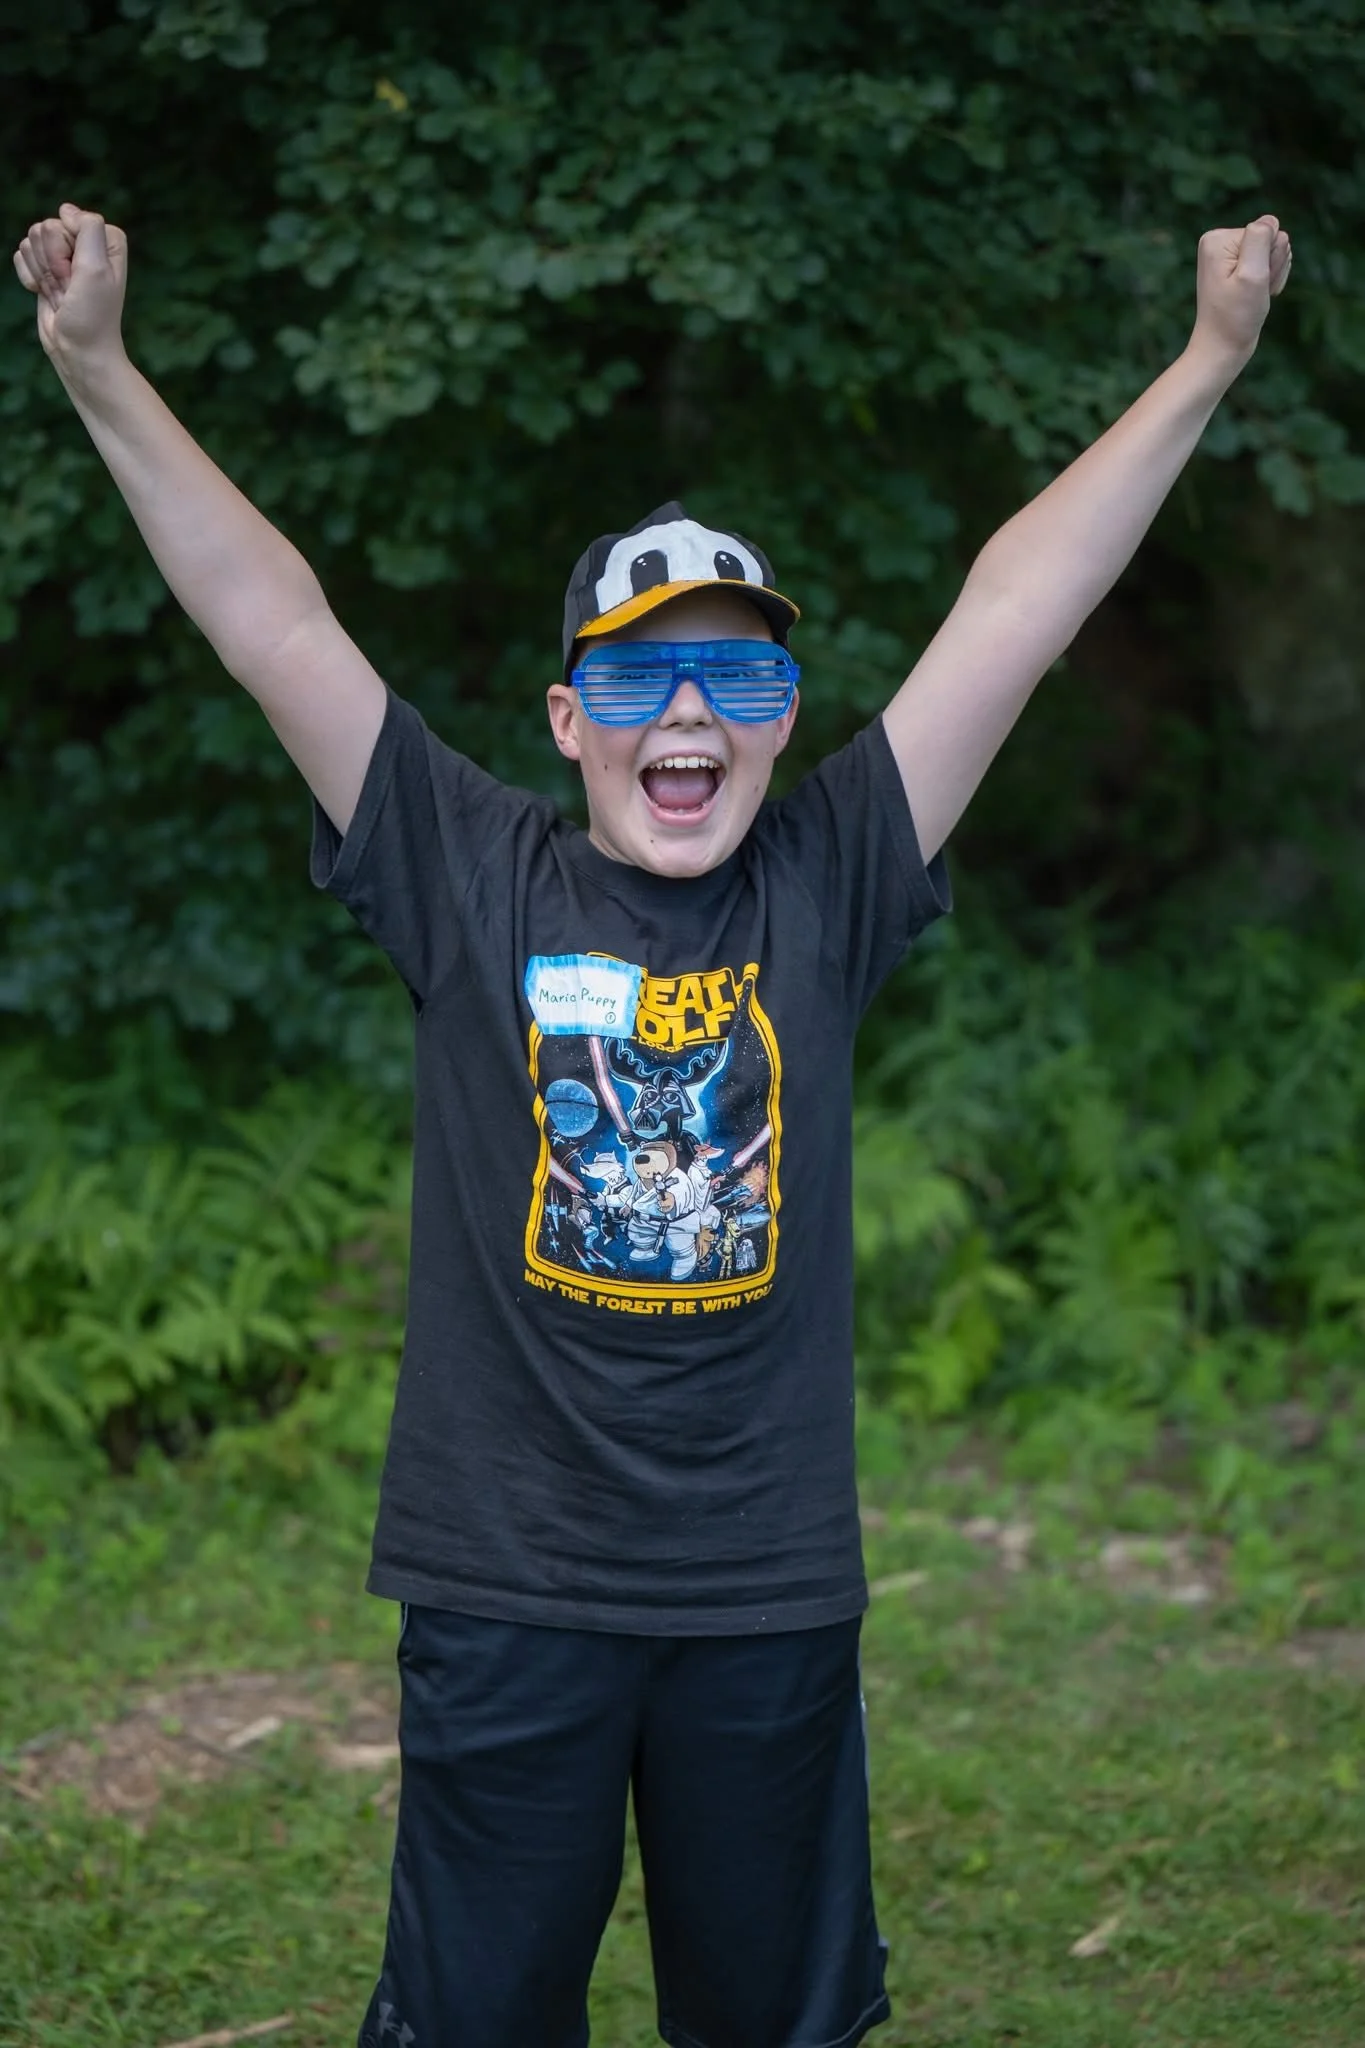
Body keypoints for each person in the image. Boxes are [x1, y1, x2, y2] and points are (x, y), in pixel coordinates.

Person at [13, 201, 1291, 2048]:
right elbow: (268, 610)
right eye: (634, 674)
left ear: (781, 719)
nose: (686, 712)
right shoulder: (461, 868)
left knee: (775, 2022)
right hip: (506, 1579)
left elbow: (1017, 605)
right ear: (566, 714)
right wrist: (99, 367)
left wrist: (1208, 361)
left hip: (764, 1592)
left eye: (739, 676)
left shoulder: (834, 873)